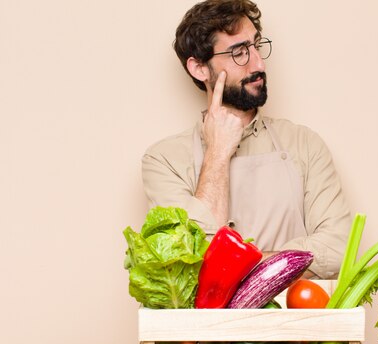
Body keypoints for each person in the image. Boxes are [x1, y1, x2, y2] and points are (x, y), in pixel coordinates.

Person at [141, 0, 351, 279]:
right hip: (207, 325)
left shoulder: (305, 144)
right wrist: (217, 151)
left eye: (256, 46)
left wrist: (234, 266)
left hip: (297, 320)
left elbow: (337, 250)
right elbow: (188, 263)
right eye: (239, 52)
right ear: (199, 68)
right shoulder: (164, 160)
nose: (259, 63)